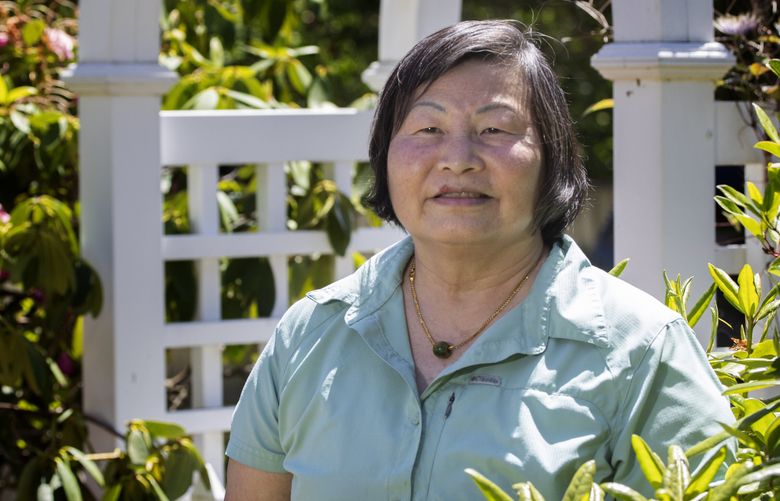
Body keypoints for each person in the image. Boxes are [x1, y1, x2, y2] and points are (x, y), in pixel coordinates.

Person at [224, 20, 734, 500]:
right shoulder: (310, 334)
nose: (458, 157)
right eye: (426, 129)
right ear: (384, 156)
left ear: (551, 157)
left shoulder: (644, 355)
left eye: (495, 130)